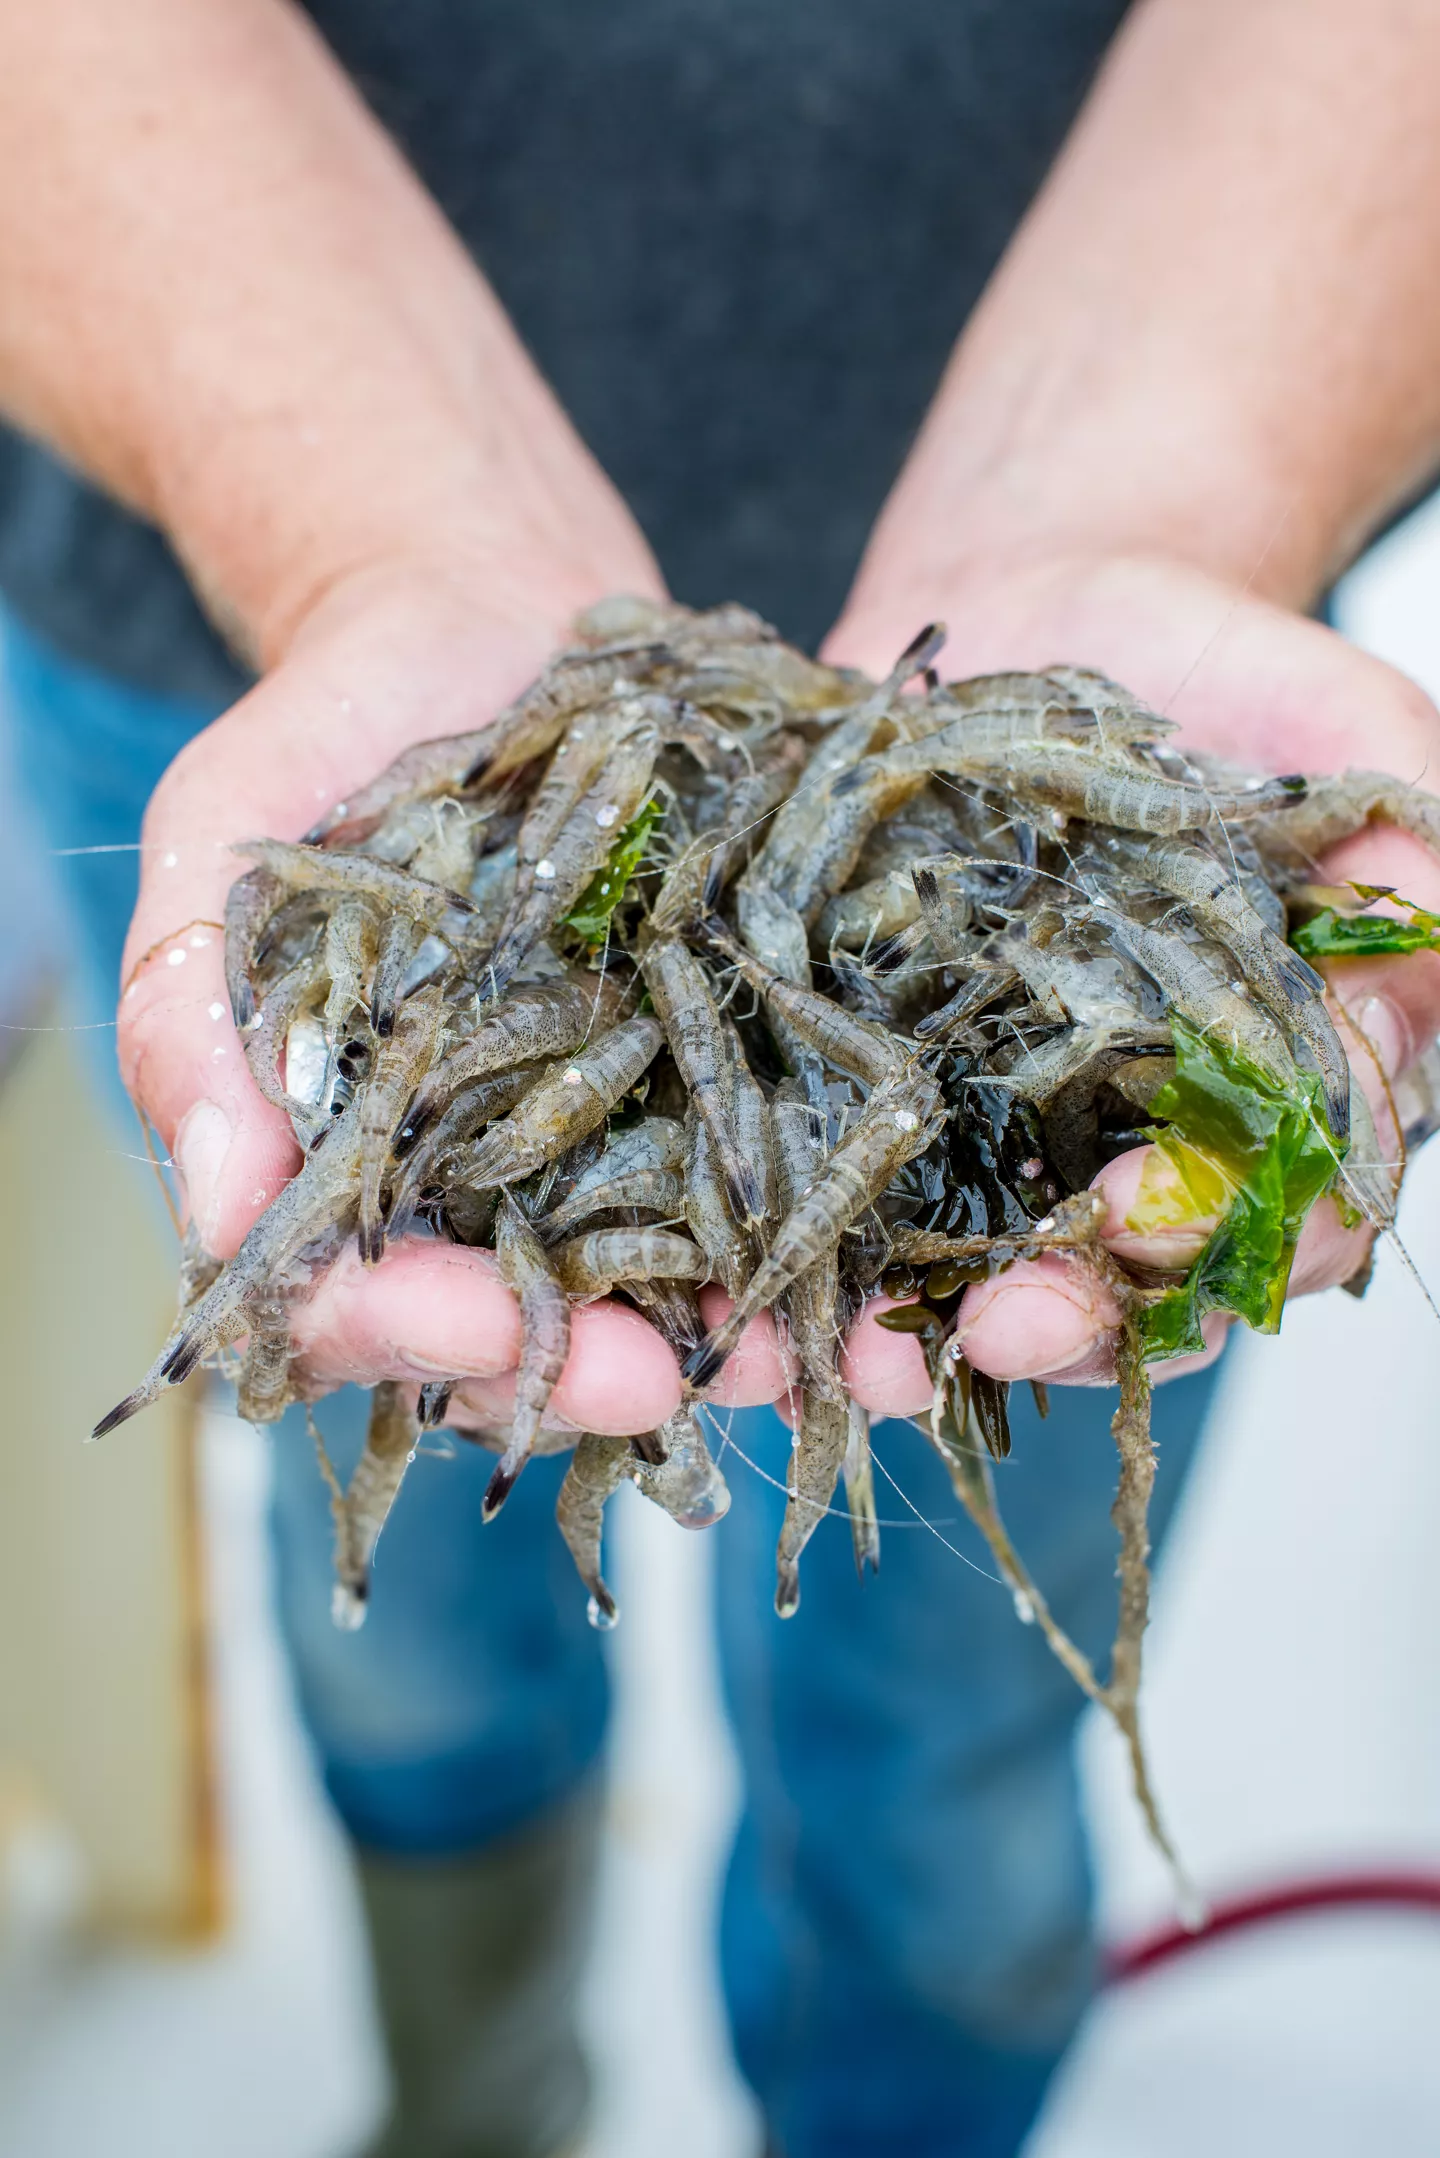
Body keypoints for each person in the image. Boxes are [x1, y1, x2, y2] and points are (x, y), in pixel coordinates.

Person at [3, 3, 1440, 2152]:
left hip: (1182, 437)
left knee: (947, 1714)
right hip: (240, 588)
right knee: (397, 1582)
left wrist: (1163, 481)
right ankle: (477, 2093)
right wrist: (355, 521)